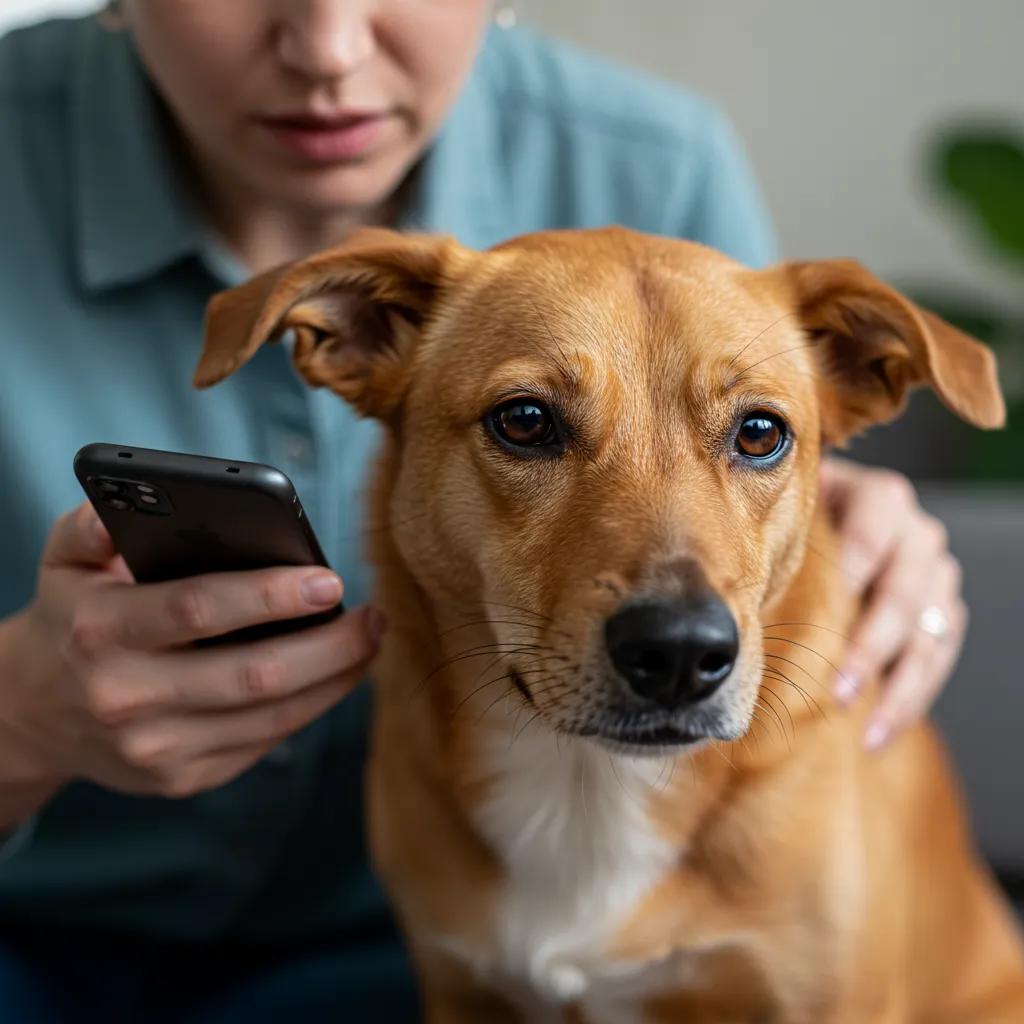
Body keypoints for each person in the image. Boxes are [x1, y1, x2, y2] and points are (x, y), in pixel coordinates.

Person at [0, 1, 967, 1019]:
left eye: (754, 437)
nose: (328, 48)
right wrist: (18, 719)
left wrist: (818, 493)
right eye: (529, 424)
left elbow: (738, 412)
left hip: (364, 954)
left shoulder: (662, 162)